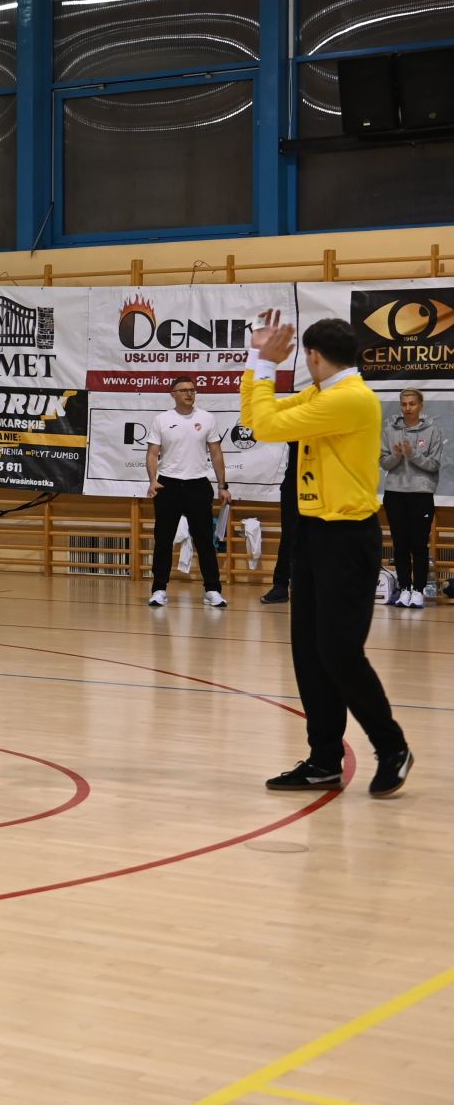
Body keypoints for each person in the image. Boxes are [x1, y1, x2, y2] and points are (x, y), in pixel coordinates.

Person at [243, 310, 412, 798]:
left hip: (347, 538)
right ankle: (323, 760)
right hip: (313, 534)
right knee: (309, 653)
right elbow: (255, 418)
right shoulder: (322, 394)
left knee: (339, 652)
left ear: (313, 356)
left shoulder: (349, 398)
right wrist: (256, 359)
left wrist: (265, 365)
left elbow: (267, 427)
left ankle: (392, 747)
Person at [145, 375, 229, 608]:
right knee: (163, 539)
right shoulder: (161, 420)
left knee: (205, 540)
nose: (189, 394)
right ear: (173, 394)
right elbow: (152, 453)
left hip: (198, 485)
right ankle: (159, 589)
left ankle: (212, 590)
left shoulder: (207, 418)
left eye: (192, 390)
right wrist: (152, 480)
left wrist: (223, 486)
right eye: (183, 390)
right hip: (168, 485)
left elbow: (216, 453)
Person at [379, 388, 442, 609]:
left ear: (420, 405)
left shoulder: (432, 431)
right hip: (395, 494)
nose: (408, 408)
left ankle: (418, 590)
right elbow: (384, 462)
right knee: (400, 545)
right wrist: (397, 455)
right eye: (404, 404)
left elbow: (434, 464)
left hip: (421, 495)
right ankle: (404, 588)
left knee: (419, 545)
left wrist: (412, 454)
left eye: (412, 404)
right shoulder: (390, 430)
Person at [261, 440, 297, 605]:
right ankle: (280, 586)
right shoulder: (297, 428)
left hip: (322, 486)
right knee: (288, 537)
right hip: (294, 485)